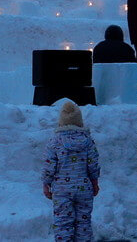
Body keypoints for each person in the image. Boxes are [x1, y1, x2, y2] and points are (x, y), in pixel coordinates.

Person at [41, 100, 100, 241]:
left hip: (62, 190)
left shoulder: (54, 142)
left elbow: (49, 166)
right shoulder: (88, 141)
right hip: (84, 188)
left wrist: (46, 183)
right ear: (80, 122)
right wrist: (95, 182)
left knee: (62, 223)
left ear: (61, 122)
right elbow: (93, 163)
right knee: (83, 222)